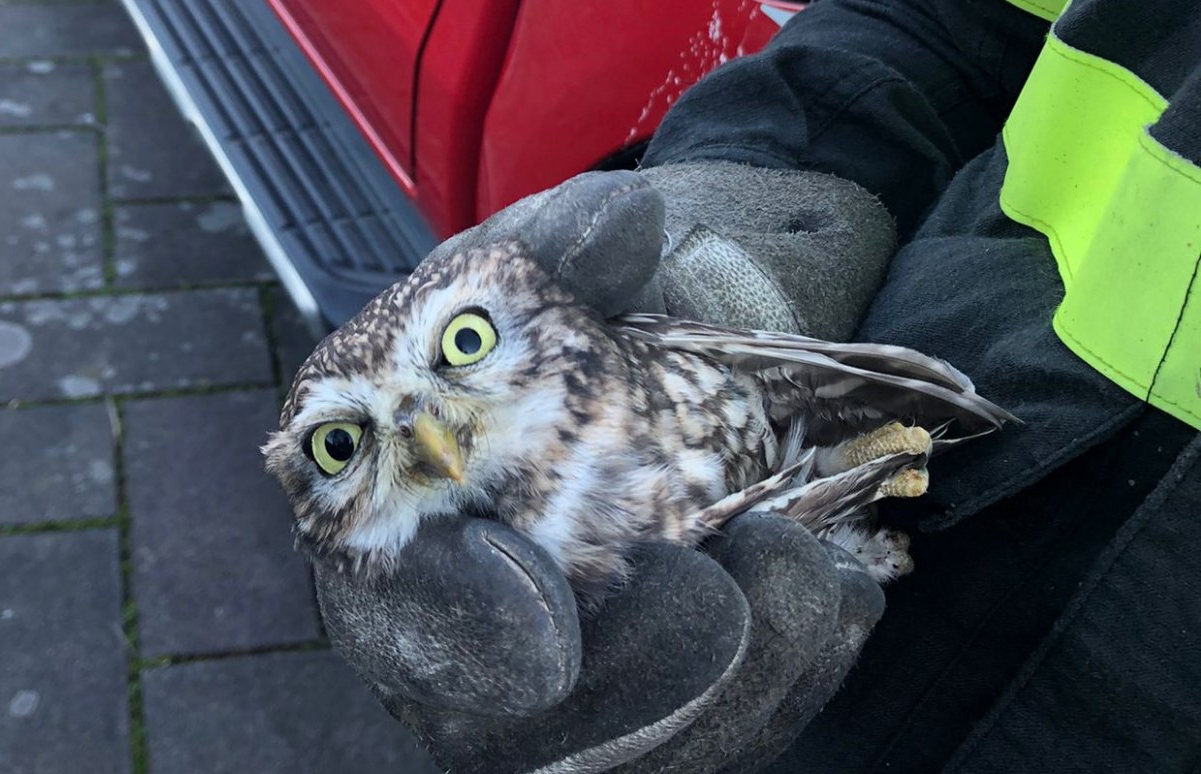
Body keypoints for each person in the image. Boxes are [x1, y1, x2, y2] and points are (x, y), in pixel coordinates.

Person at [310, 0, 1201, 771]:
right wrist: (749, 220)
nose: (432, 436)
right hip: (896, 538)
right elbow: (945, 21)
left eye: (463, 346)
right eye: (337, 444)